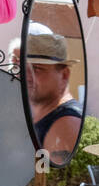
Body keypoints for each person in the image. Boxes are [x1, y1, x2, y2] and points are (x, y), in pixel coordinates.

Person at [24, 32, 84, 165]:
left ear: (64, 75)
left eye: (37, 69)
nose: (27, 76)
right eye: (24, 68)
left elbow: (50, 179)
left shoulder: (66, 123)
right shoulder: (44, 114)